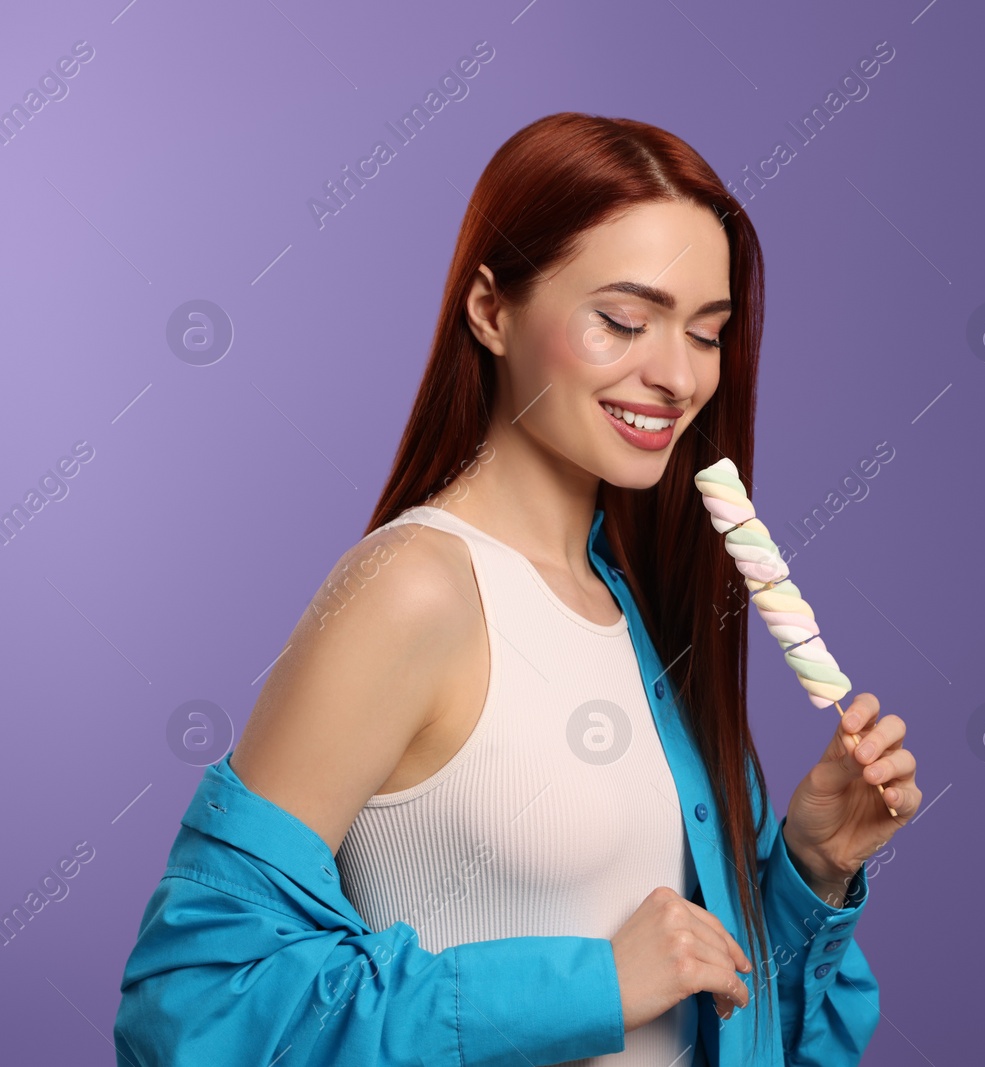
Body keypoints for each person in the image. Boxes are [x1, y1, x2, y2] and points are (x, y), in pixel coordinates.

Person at [112, 111, 920, 1066]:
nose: (674, 375)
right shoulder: (413, 590)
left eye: (706, 334)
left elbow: (737, 1027)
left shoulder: (647, 621)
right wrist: (592, 986)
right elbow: (196, 1010)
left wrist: (814, 870)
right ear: (492, 311)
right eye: (623, 321)